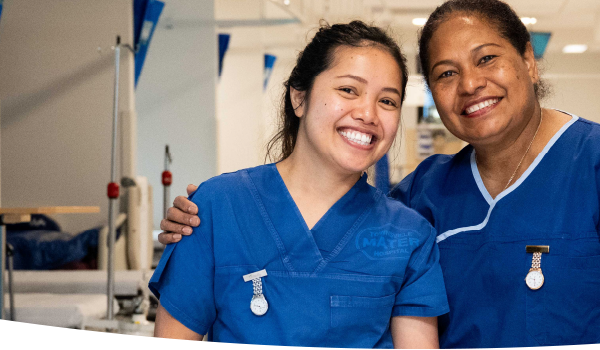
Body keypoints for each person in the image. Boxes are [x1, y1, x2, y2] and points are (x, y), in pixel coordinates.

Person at [160, 0, 600, 347]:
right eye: (446, 73)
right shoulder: (425, 194)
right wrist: (196, 220)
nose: (470, 84)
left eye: (488, 58)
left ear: (529, 59)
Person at [149, 21, 448, 348]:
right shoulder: (216, 209)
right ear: (299, 98)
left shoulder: (409, 236)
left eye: (387, 101)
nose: (368, 113)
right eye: (348, 90)